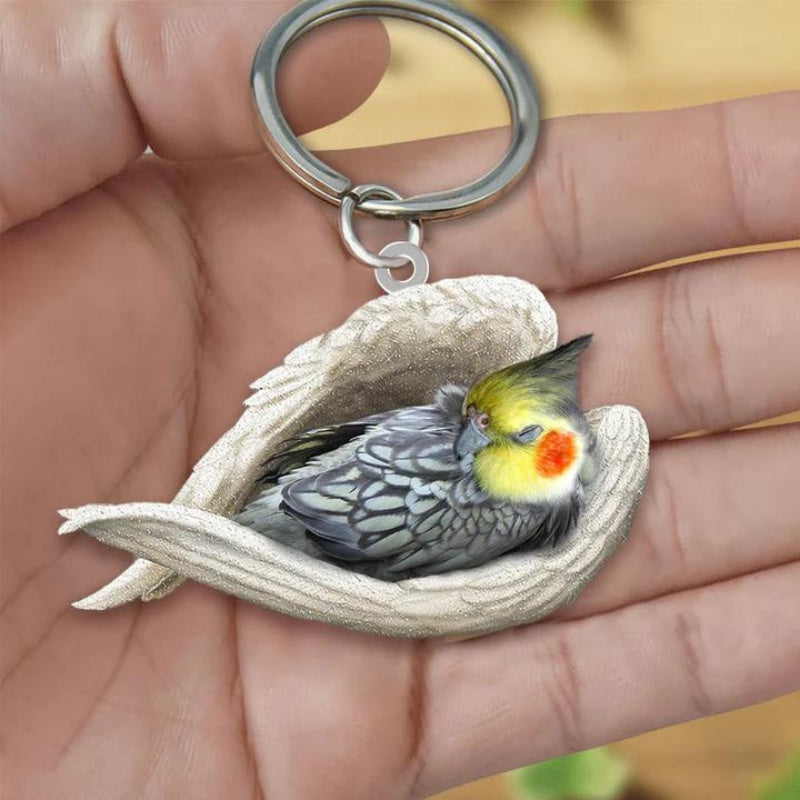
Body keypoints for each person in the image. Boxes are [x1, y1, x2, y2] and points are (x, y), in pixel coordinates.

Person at [1, 4, 798, 798]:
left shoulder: (530, 497)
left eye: (502, 432)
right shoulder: (476, 477)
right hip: (303, 515)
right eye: (472, 420)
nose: (465, 441)